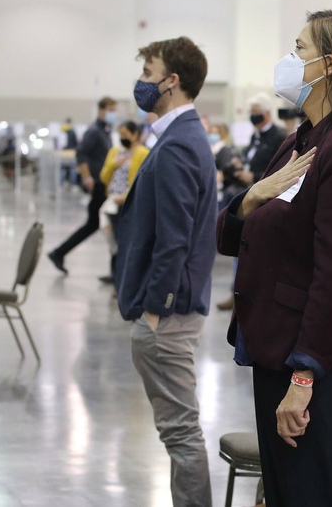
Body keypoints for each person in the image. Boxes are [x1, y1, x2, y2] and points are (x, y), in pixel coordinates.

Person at [216, 9, 332, 506]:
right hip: (278, 351)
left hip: (323, 372)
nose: (289, 59)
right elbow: (234, 237)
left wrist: (304, 376)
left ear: (329, 65)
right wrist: (249, 199)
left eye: (299, 49)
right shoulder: (300, 141)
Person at [115, 36, 217, 507]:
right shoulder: (179, 137)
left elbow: (173, 239)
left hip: (169, 317)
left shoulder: (179, 144)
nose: (141, 82)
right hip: (171, 312)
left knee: (181, 433)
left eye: (147, 72)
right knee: (179, 431)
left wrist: (157, 309)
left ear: (171, 81)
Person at [216, 97, 288, 311]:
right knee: (241, 247)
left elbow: (279, 170)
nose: (252, 114)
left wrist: (254, 175)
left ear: (266, 113)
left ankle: (246, 295)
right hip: (247, 197)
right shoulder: (255, 138)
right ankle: (237, 293)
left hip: (266, 201)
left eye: (255, 110)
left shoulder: (279, 137)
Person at [48, 97, 117, 276]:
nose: (113, 113)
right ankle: (59, 253)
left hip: (105, 184)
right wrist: (87, 178)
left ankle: (59, 253)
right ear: (101, 110)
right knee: (107, 225)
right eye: (111, 109)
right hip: (98, 185)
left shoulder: (106, 131)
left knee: (96, 225)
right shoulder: (94, 131)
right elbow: (81, 154)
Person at [98, 121, 149, 284]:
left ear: (135, 135)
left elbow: (141, 180)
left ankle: (124, 277)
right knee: (110, 235)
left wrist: (126, 197)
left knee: (124, 239)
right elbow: (104, 177)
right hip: (112, 199)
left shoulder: (142, 153)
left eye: (126, 134)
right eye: (121, 134)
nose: (123, 137)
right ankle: (115, 273)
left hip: (128, 201)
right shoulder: (115, 151)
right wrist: (114, 164)